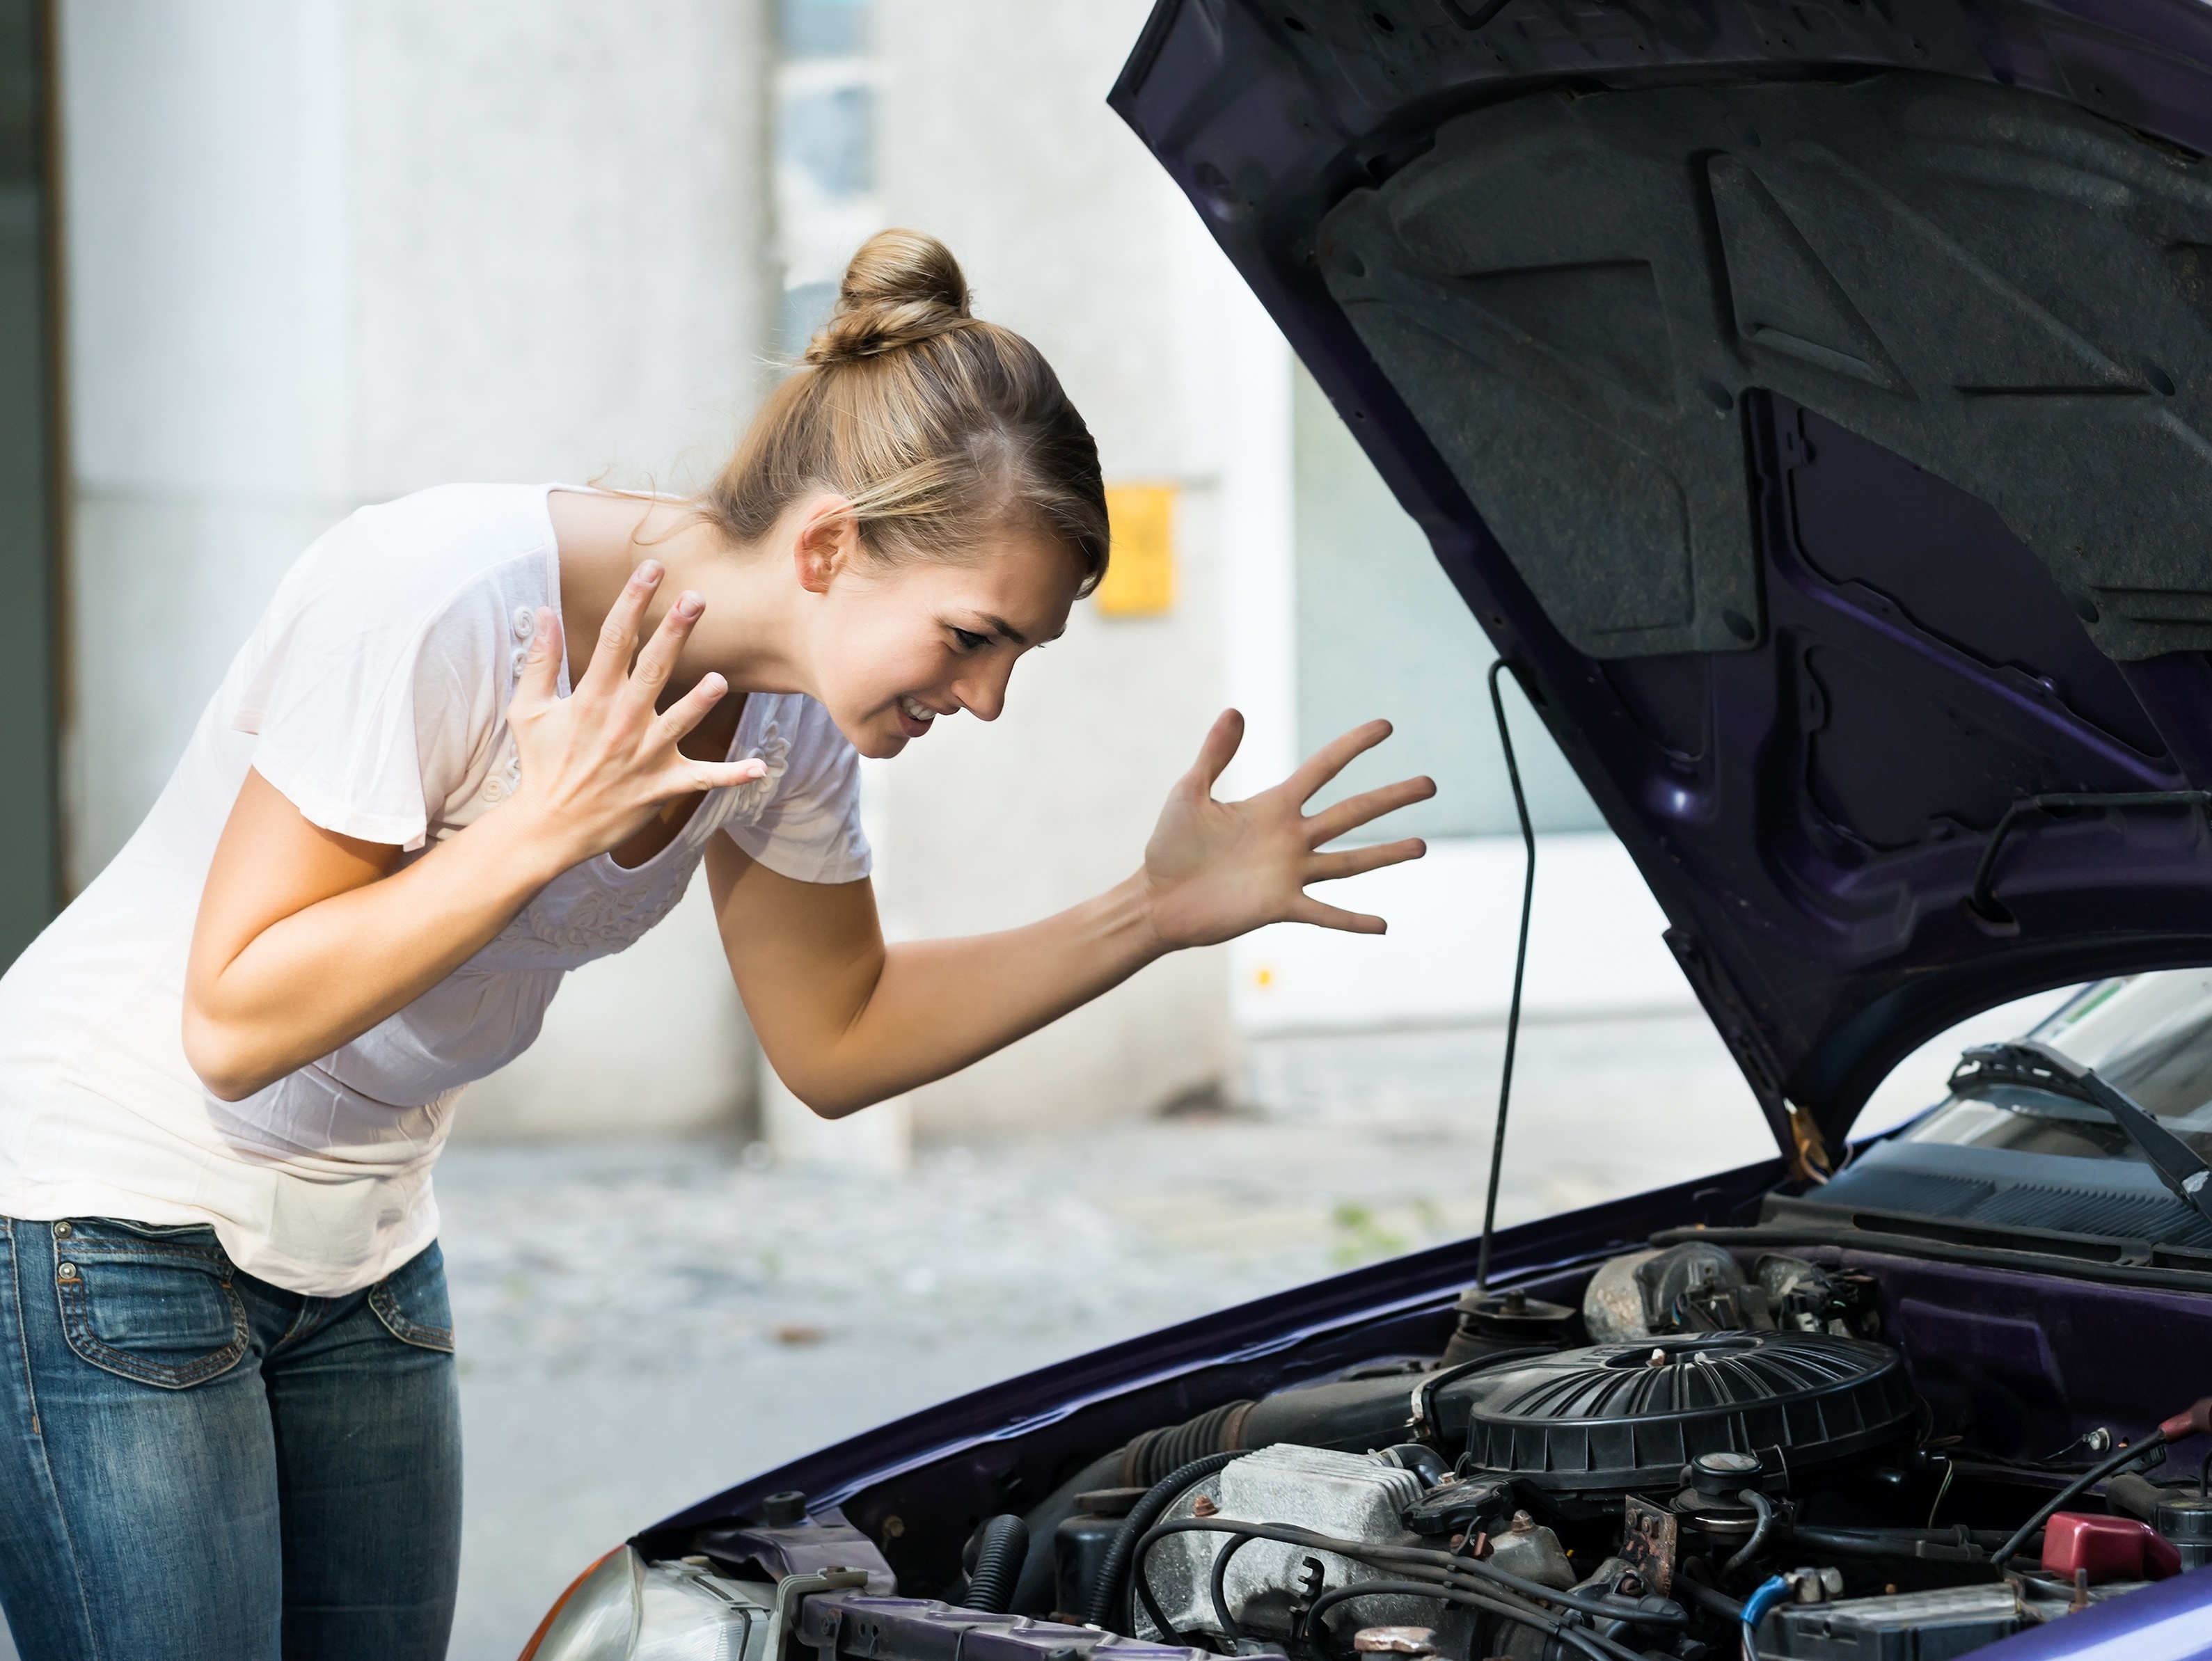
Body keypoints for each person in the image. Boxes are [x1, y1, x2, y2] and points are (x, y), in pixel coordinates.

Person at [0, 228, 1432, 1660]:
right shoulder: (438, 598)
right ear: (824, 547)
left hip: (363, 1235)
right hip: (102, 1210)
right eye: (971, 636)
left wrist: (1150, 916)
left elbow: (839, 1034)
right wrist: (537, 828)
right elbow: (236, 1019)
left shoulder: (797, 712)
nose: (985, 698)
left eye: (1017, 656)